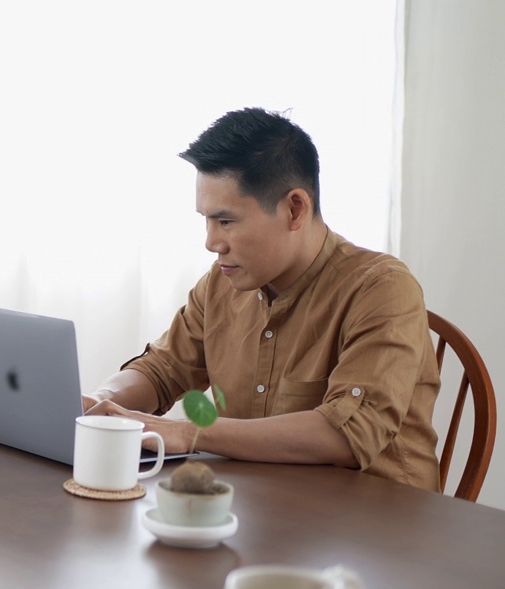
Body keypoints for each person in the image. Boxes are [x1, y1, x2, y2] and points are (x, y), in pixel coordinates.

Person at [85, 108, 439, 491]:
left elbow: (347, 435)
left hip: (380, 527)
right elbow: (163, 370)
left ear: (294, 209)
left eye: (226, 221)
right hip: (264, 509)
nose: (211, 243)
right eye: (206, 220)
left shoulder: (382, 288)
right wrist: (101, 406)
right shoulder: (221, 285)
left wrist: (189, 432)